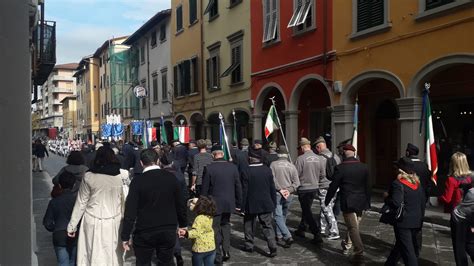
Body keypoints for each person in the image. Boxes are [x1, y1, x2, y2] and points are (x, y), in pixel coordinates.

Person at [121, 148, 187, 265]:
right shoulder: (171, 178)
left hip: (145, 230)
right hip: (168, 228)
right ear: (157, 161)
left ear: (141, 163)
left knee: (143, 262)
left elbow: (130, 211)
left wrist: (125, 235)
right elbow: (180, 204)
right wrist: (183, 225)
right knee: (167, 261)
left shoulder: (137, 181)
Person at [67, 146, 129, 265]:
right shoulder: (122, 175)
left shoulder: (89, 176)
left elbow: (81, 202)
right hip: (113, 220)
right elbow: (124, 199)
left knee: (92, 253)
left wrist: (72, 226)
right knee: (112, 255)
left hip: (92, 218)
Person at [325, 144, 370, 258]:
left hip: (348, 202)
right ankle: (347, 244)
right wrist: (368, 202)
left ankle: (359, 252)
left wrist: (327, 200)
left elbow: (333, 186)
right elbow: (368, 187)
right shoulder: (364, 167)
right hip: (361, 201)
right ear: (354, 153)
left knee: (352, 227)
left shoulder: (340, 168)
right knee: (354, 226)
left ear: (344, 154)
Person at [201, 145, 242, 264]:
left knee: (215, 228)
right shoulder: (233, 167)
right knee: (225, 225)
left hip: (215, 203)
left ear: (213, 155)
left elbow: (204, 188)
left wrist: (202, 203)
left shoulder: (209, 168)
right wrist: (239, 203)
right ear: (222, 154)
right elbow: (238, 186)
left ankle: (217, 253)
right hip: (229, 202)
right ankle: (226, 250)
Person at [384, 157, 426, 266]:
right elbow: (422, 202)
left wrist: (386, 197)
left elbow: (396, 203)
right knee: (399, 247)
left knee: (408, 253)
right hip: (415, 220)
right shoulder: (417, 183)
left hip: (403, 222)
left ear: (400, 169)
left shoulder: (398, 184)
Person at [241, 148, 278, 257]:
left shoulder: (246, 170)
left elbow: (244, 190)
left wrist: (242, 206)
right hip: (265, 202)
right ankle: (272, 246)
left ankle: (249, 245)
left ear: (250, 158)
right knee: (267, 225)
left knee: (249, 224)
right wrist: (273, 202)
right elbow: (272, 187)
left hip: (250, 202)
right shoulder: (267, 170)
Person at [43, 171, 79, 266]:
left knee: (62, 262)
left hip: (59, 234)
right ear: (74, 184)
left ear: (59, 185)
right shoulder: (77, 201)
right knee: (72, 262)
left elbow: (47, 222)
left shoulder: (54, 202)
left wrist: (54, 228)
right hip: (74, 234)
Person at [294, 137, 324, 244]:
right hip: (314, 188)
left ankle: (316, 233)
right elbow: (322, 174)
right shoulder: (319, 158)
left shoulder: (300, 159)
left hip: (303, 188)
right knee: (306, 209)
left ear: (303, 147)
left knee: (307, 211)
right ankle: (301, 229)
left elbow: (295, 175)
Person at [270, 145, 300, 248]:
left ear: (278, 154)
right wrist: (288, 190)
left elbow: (272, 180)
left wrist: (280, 189)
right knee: (283, 215)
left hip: (277, 193)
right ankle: (279, 235)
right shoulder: (292, 166)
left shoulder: (273, 164)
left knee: (277, 216)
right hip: (289, 195)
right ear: (287, 155)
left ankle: (287, 236)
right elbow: (297, 183)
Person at [314, 136, 341, 240]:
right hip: (335, 186)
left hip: (324, 186)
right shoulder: (336, 157)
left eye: (316, 148)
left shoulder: (319, 159)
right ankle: (322, 227)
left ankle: (334, 231)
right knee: (326, 206)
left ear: (318, 147)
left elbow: (317, 174)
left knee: (326, 208)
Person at [180, 196, 217, 266]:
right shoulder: (210, 216)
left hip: (199, 249)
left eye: (194, 204)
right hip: (211, 247)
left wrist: (186, 233)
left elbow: (196, 232)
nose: (191, 205)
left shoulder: (199, 218)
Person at [451, 184, 474, 265]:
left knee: (470, 243)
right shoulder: (472, 194)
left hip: (469, 216)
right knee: (460, 245)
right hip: (459, 218)